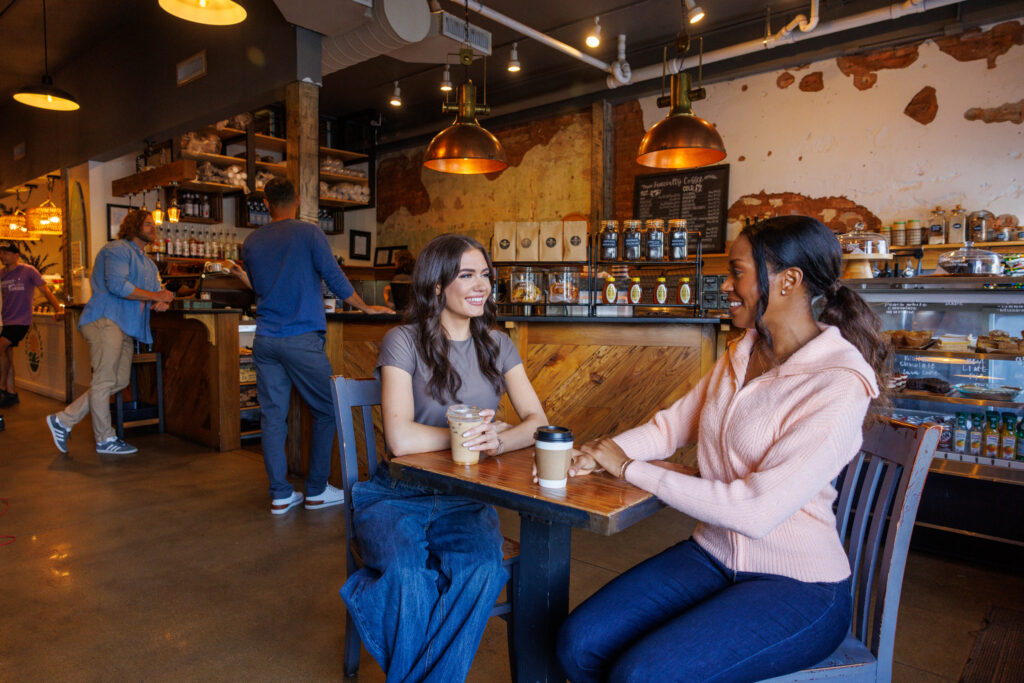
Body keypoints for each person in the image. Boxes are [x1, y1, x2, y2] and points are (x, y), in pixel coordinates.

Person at [556, 216, 890, 682]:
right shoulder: (743, 351)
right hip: (713, 556)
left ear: (788, 280)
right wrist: (600, 452)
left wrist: (628, 467)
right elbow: (672, 426)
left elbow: (756, 511)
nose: (726, 284)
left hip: (799, 587)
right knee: (578, 645)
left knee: (643, 675)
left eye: (737, 271)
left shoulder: (838, 382)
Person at [341, 234, 548, 682]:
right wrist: (466, 437)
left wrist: (498, 441)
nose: (482, 286)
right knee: (407, 576)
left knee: (481, 570)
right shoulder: (403, 341)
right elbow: (399, 438)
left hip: (466, 498)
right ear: (437, 286)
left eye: (486, 275)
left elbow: (536, 421)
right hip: (396, 494)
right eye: (467, 275)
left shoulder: (497, 344)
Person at [233, 178, 391, 515]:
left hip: (265, 340)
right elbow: (334, 277)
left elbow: (261, 287)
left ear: (265, 202)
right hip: (301, 339)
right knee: (328, 408)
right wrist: (364, 307)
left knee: (272, 418)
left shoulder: (251, 242)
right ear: (300, 199)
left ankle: (280, 494)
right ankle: (317, 490)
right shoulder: (309, 234)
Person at [46, 211, 174, 455]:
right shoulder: (116, 249)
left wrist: (164, 298)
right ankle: (105, 439)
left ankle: (63, 420)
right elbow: (118, 286)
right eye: (148, 224)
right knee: (105, 380)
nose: (153, 228)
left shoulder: (147, 262)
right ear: (134, 226)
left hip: (126, 326)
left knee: (118, 381)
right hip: (106, 319)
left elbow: (157, 290)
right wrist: (155, 296)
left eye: (154, 225)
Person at [0, 242, 64, 407]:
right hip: (6, 320)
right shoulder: (1, 274)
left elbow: (45, 291)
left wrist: (58, 309)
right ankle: (11, 392)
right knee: (7, 353)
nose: (3, 256)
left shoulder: (28, 271)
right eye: (1, 253)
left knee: (1, 347)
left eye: (6, 253)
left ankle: (1, 388)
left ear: (16, 256)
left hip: (21, 321)